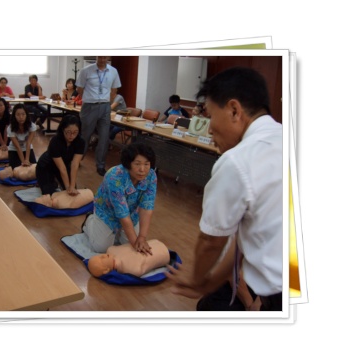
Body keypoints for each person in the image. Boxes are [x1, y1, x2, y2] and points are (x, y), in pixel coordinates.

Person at [165, 67, 283, 312]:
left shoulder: (238, 161)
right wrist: (212, 280)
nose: (208, 129)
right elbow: (240, 236)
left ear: (234, 110)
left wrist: (198, 279)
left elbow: (211, 241)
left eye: (210, 116)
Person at [83, 142, 157, 254]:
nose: (142, 169)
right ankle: (89, 221)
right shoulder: (115, 176)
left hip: (132, 213)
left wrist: (142, 237)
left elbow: (147, 207)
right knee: (101, 248)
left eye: (146, 164)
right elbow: (122, 215)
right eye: (137, 164)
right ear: (128, 163)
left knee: (129, 244)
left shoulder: (151, 175)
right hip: (108, 212)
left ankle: (119, 233)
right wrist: (135, 244)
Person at [76, 56, 122, 176]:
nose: (102, 59)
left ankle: (100, 165)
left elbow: (114, 90)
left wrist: (107, 102)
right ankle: (77, 160)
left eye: (104, 57)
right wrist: (90, 98)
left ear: (108, 57)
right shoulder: (86, 70)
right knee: (85, 135)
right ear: (96, 56)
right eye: (100, 57)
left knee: (104, 137)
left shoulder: (113, 71)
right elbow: (79, 89)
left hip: (105, 107)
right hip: (89, 106)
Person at [35, 114, 85, 196]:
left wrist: (72, 186)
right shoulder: (55, 141)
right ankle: (44, 181)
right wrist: (68, 187)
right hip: (46, 166)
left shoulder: (81, 142)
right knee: (50, 193)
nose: (71, 136)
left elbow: (75, 164)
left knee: (73, 190)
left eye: (75, 132)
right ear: (62, 129)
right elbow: (62, 168)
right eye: (68, 132)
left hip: (64, 166)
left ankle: (54, 181)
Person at [88, 239, 170, 278]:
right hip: (164, 253)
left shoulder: (111, 250)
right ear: (106, 270)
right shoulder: (130, 269)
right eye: (101, 259)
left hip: (154, 243)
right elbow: (140, 268)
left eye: (100, 255)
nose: (103, 255)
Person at [7, 103, 37, 170]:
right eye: (18, 115)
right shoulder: (10, 128)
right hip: (14, 149)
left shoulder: (32, 126)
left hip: (27, 148)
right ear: (14, 116)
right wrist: (23, 162)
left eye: (23, 114)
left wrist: (27, 160)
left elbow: (28, 143)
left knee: (34, 169)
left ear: (26, 115)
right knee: (16, 170)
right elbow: (17, 146)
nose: (21, 117)